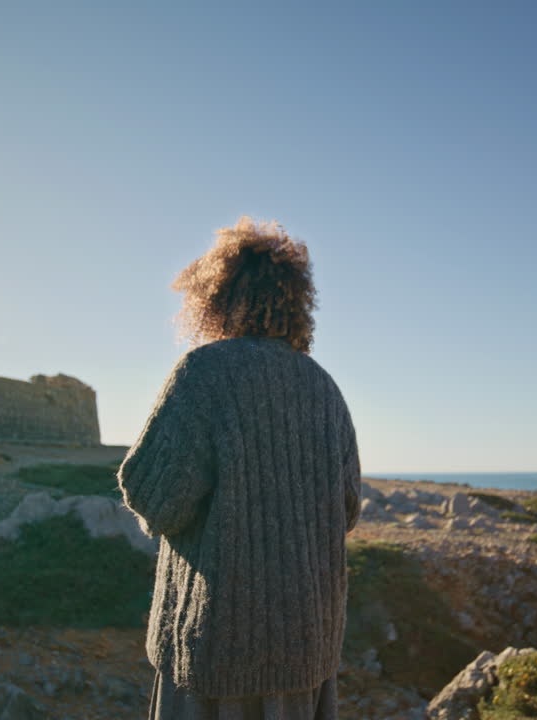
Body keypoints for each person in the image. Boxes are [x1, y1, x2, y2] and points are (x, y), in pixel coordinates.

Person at [118, 217, 361, 720]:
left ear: (214, 294)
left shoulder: (203, 372)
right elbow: (348, 510)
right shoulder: (325, 390)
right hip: (305, 652)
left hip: (216, 652)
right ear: (297, 302)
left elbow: (152, 498)